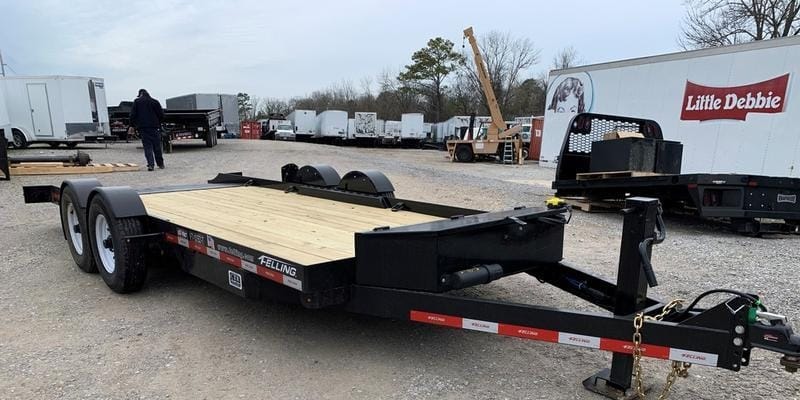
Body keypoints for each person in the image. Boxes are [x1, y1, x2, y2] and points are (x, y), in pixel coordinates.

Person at [130, 89, 165, 171]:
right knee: (157, 146)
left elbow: (133, 115)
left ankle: (151, 165)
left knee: (147, 147)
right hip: (155, 127)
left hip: (143, 128)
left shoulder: (137, 102)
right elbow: (161, 114)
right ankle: (160, 164)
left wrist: (132, 125)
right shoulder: (155, 101)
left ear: (140, 94)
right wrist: (159, 123)